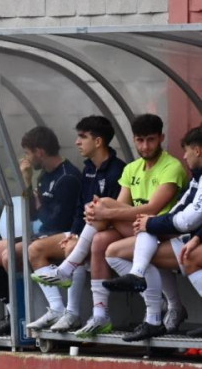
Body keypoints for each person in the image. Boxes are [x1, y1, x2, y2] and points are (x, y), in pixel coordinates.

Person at [32, 114, 188, 340]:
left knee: (105, 207)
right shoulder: (132, 168)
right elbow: (123, 206)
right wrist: (100, 211)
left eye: (151, 140)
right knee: (101, 240)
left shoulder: (171, 166)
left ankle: (69, 266)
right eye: (140, 140)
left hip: (163, 231)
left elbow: (153, 210)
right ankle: (100, 313)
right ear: (134, 139)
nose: (145, 146)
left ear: (161, 138)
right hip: (138, 230)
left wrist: (104, 212)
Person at [24, 117, 126, 333]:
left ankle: (72, 312)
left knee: (73, 245)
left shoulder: (117, 170)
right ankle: (57, 310)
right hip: (88, 231)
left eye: (82, 137)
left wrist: (77, 236)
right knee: (35, 249)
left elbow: (115, 212)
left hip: (112, 233)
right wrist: (74, 233)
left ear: (98, 142)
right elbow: (81, 208)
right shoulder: (88, 169)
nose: (77, 142)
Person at [0, 126, 81, 336]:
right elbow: (32, 216)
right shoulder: (43, 176)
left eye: (27, 153)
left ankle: (24, 315)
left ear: (39, 152)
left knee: (9, 257)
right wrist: (26, 183)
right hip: (42, 234)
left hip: (61, 237)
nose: (26, 158)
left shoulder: (67, 178)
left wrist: (40, 204)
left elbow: (58, 221)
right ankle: (13, 315)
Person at [102, 126, 202, 340]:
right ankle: (145, 294)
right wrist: (153, 224)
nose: (183, 156)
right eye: (140, 140)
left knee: (147, 250)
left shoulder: (174, 168)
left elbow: (190, 219)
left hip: (188, 237)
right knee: (123, 247)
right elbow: (182, 210)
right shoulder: (197, 178)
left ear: (198, 151)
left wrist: (154, 223)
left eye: (186, 151)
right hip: (189, 237)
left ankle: (153, 315)